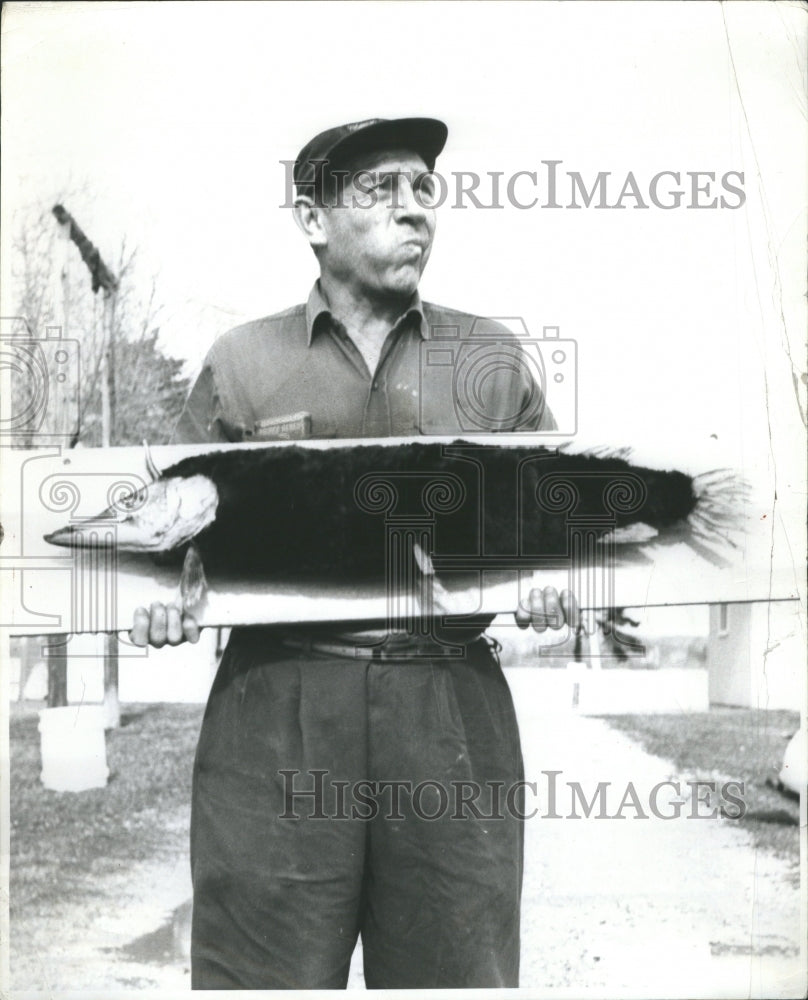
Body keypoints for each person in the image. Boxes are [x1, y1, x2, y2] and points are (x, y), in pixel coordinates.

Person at [130, 117, 579, 989]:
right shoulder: (241, 361)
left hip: (448, 707)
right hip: (277, 710)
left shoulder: (489, 356)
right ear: (311, 218)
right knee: (264, 975)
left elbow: (554, 522)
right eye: (379, 190)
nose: (414, 212)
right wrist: (151, 602)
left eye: (424, 188)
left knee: (455, 971)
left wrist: (554, 584)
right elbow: (166, 551)